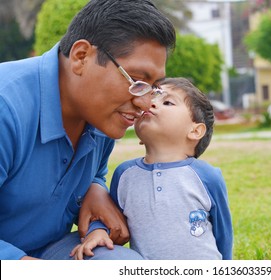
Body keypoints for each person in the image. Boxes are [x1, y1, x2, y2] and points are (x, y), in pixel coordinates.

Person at [0, 0, 176, 260]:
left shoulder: (101, 117)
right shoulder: (6, 105)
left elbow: (94, 173)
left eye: (152, 87)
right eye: (137, 81)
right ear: (81, 57)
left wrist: (95, 189)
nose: (144, 103)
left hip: (54, 248)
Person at [71, 78, 233, 260]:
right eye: (151, 98)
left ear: (195, 131)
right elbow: (111, 217)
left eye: (167, 102)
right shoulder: (125, 175)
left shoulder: (206, 176)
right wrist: (98, 231)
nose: (151, 103)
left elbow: (223, 234)